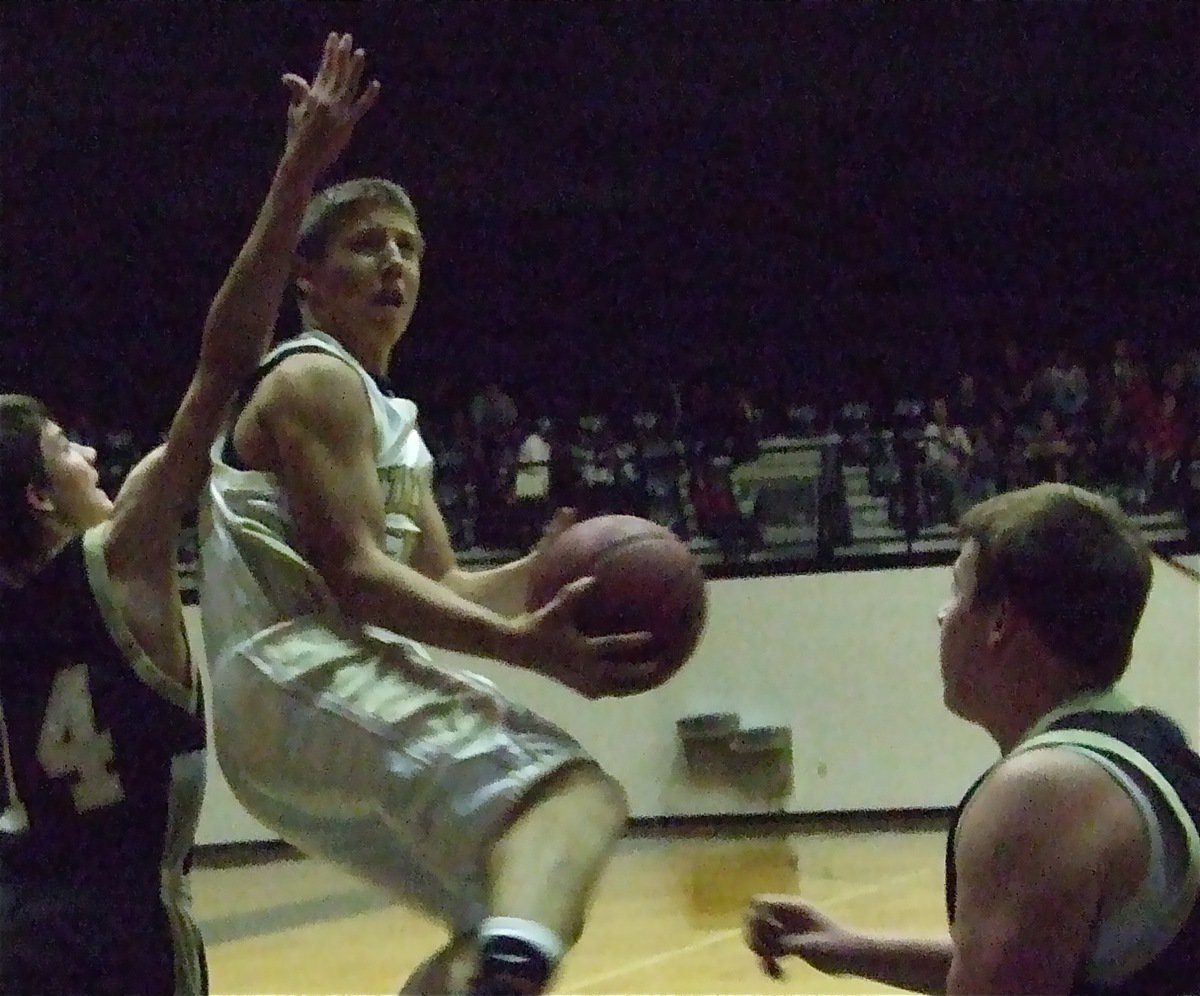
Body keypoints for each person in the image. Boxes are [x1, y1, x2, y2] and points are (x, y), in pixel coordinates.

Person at [198, 92, 653, 996]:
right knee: (574, 797)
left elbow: (439, 579)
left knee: (498, 907)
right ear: (309, 280)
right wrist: (521, 647)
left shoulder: (393, 419)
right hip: (295, 669)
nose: (395, 262)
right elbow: (360, 578)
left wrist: (536, 576)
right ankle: (515, 975)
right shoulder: (314, 377)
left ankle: (501, 964)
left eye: (409, 247)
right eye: (369, 244)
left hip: (294, 705)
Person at [0, 32, 376, 994]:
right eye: (66, 450)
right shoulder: (120, 552)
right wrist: (297, 171)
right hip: (124, 941)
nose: (92, 456)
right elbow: (224, 361)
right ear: (40, 495)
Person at [745, 482, 1200, 994]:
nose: (942, 614)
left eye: (958, 591)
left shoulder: (1041, 794)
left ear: (1000, 620)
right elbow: (1029, 963)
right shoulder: (1152, 744)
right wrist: (850, 948)